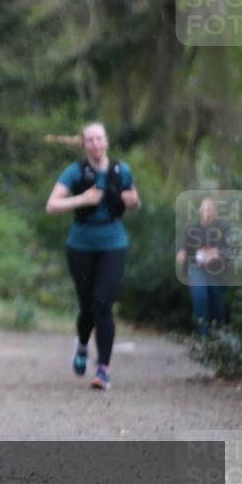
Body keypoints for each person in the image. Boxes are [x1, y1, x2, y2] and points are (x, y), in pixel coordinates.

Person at [45, 122, 140, 390]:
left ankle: (103, 369)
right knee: (87, 307)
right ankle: (83, 345)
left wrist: (134, 202)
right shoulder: (75, 172)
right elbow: (52, 205)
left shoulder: (122, 170)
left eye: (99, 139)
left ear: (106, 141)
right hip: (81, 245)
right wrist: (82, 200)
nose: (96, 144)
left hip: (114, 243)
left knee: (103, 304)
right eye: (90, 140)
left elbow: (134, 199)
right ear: (84, 144)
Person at [176, 198, 229, 336]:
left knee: (217, 303)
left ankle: (220, 333)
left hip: (217, 270)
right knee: (200, 297)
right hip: (197, 268)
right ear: (199, 211)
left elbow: (230, 249)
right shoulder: (193, 227)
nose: (207, 212)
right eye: (204, 209)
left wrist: (217, 253)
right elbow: (184, 245)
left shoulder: (223, 228)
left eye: (210, 209)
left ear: (215, 212)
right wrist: (181, 252)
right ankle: (203, 336)